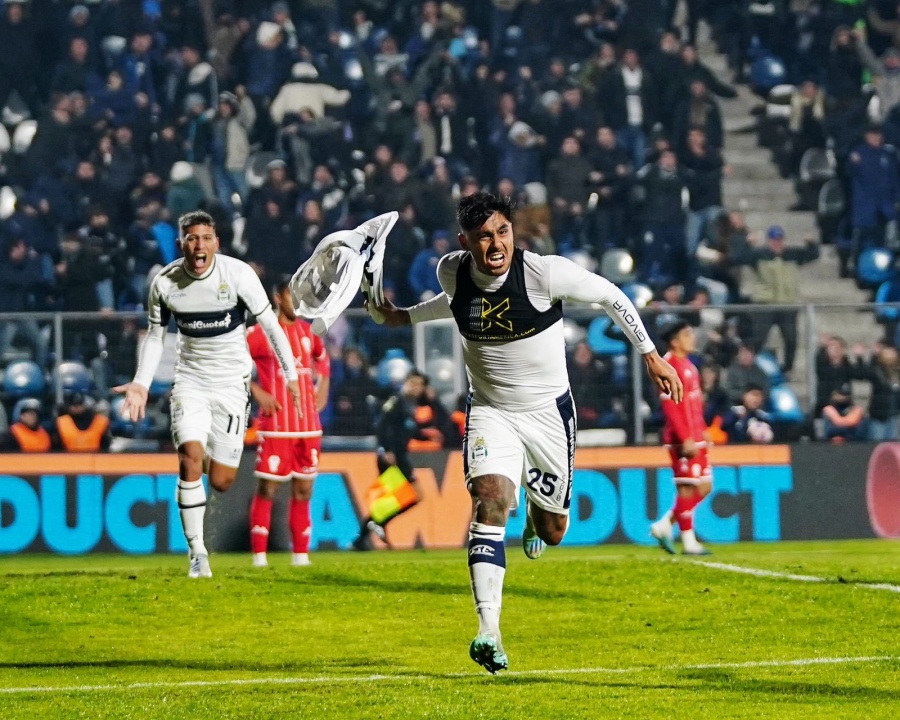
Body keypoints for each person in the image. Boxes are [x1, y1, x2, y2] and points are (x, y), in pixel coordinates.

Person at [373, 192, 681, 674]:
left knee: (554, 531)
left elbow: (610, 295)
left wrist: (649, 353)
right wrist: (403, 316)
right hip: (491, 410)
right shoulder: (451, 271)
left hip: (547, 414)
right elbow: (455, 304)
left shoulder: (543, 273)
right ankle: (488, 630)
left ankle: (535, 520)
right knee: (489, 498)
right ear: (465, 242)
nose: (496, 244)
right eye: (484, 236)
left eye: (502, 232)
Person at [114, 210, 301, 579]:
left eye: (205, 238)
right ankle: (198, 553)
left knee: (221, 481)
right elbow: (155, 337)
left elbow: (271, 325)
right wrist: (141, 381)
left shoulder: (238, 275)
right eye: (191, 238)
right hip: (190, 383)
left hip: (232, 385)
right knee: (190, 459)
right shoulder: (165, 283)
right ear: (181, 242)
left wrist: (290, 373)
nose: (198, 246)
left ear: (216, 242)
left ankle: (202, 530)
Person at [247, 278, 330, 568]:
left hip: (308, 426)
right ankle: (259, 556)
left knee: (304, 490)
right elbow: (234, 363)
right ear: (278, 298)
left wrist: (324, 388)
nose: (297, 302)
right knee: (268, 490)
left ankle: (301, 556)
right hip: (276, 426)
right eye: (291, 296)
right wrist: (257, 391)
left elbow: (323, 359)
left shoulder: (309, 333)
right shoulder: (260, 334)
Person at [649, 320, 712, 556]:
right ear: (675, 341)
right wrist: (684, 436)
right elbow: (671, 408)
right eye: (687, 334)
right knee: (687, 488)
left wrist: (702, 429)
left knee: (704, 486)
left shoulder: (689, 366)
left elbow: (693, 404)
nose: (692, 338)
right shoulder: (668, 366)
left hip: (696, 435)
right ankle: (689, 542)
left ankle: (664, 525)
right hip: (682, 439)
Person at [351, 369, 433, 551]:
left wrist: (426, 436)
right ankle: (378, 523)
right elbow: (381, 425)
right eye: (413, 383)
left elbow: (406, 429)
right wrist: (386, 449)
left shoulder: (411, 404)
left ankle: (362, 537)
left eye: (419, 384)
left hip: (400, 455)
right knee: (414, 495)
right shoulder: (397, 401)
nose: (416, 387)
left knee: (390, 500)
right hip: (392, 457)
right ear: (406, 383)